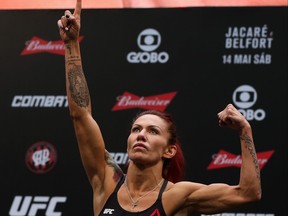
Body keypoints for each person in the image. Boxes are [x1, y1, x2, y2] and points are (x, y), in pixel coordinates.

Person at [57, 0, 261, 215]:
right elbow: (80, 115)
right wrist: (71, 45)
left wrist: (244, 131)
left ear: (169, 150)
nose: (141, 135)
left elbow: (247, 193)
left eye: (152, 131)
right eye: (136, 129)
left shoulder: (178, 196)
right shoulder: (106, 181)